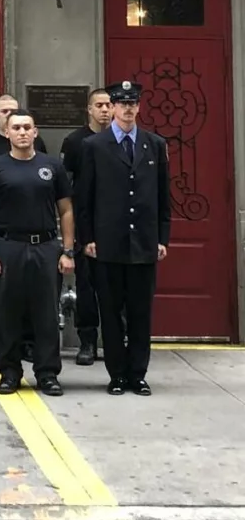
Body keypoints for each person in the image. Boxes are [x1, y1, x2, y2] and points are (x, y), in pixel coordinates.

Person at [76, 80, 170, 397]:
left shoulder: (154, 144)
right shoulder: (94, 146)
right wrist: (87, 238)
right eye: (122, 103)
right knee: (111, 312)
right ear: (113, 107)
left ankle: (138, 374)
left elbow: (162, 197)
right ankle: (117, 374)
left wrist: (162, 238)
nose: (128, 109)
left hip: (143, 243)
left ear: (139, 107)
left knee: (141, 313)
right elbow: (85, 197)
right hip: (108, 243)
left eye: (133, 103)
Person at [0, 109, 74, 397]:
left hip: (46, 247)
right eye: (16, 127)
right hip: (9, 247)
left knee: (46, 314)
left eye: (27, 127)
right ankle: (9, 373)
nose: (22, 132)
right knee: (8, 313)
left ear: (35, 132)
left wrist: (67, 251)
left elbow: (66, 210)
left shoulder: (52, 166)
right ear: (7, 132)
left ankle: (47, 374)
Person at [0, 93, 47, 355]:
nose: (10, 115)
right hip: (2, 230)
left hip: (35, 230)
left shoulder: (38, 145)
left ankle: (30, 343)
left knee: (34, 294)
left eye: (14, 110)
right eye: (4, 112)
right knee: (3, 293)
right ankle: (1, 343)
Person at [59, 87, 113, 366]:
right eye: (99, 105)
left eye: (108, 105)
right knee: (86, 287)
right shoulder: (75, 142)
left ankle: (117, 341)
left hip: (116, 226)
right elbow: (65, 188)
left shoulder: (122, 140)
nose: (105, 110)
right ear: (89, 110)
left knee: (117, 289)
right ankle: (87, 342)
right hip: (85, 226)